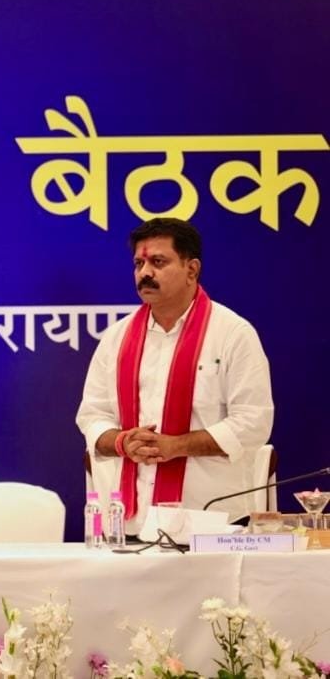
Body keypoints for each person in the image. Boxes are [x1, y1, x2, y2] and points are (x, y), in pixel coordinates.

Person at [76, 218, 273, 529]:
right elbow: (91, 416)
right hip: (130, 523)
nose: (145, 273)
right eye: (139, 263)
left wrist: (176, 446)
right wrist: (124, 442)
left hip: (210, 523)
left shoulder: (232, 333)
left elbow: (253, 423)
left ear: (191, 269)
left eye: (158, 262)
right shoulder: (116, 338)